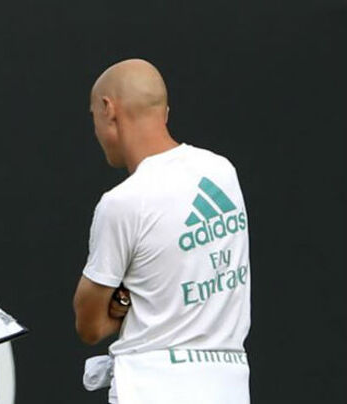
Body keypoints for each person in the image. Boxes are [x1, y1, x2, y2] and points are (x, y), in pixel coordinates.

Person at [73, 59, 251, 403]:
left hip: (150, 387)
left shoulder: (123, 202)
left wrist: (123, 299)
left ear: (109, 110)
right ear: (164, 112)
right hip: (228, 386)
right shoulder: (222, 173)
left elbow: (90, 326)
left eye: (93, 116)